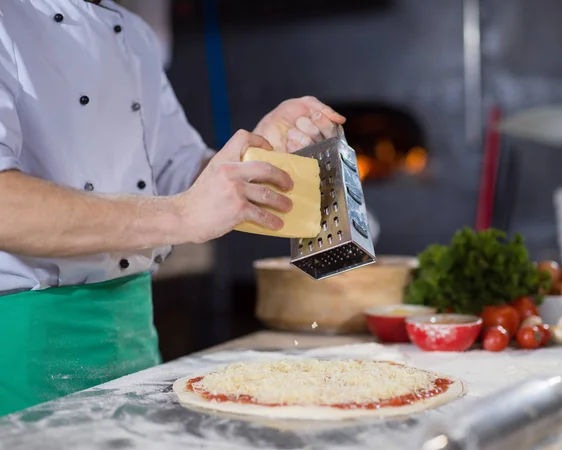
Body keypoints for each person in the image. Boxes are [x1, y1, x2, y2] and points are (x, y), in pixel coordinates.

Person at [0, 0, 345, 416]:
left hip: (133, 335)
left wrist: (262, 152)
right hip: (24, 350)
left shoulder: (134, 34)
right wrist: (182, 216)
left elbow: (178, 170)